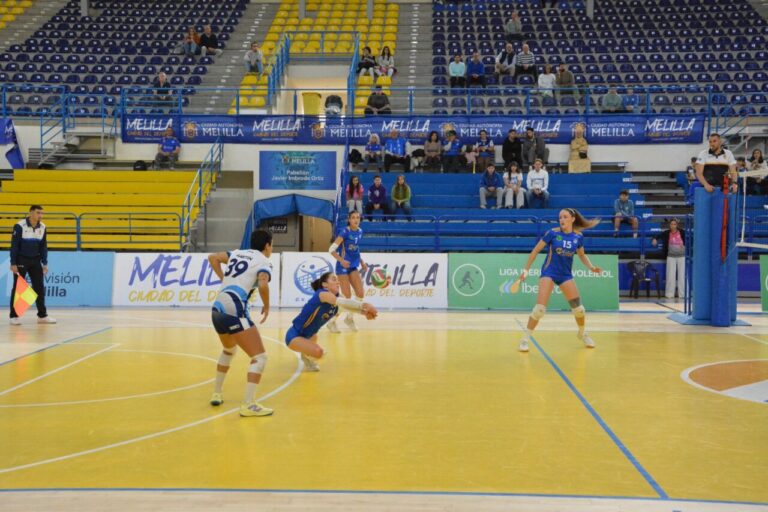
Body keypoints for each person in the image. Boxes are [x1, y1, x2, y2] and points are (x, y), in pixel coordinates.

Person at [207, 230, 273, 417]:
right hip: (234, 308)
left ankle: (217, 393)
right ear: (267, 245)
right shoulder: (263, 260)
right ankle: (248, 405)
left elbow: (212, 258)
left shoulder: (236, 253)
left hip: (217, 307)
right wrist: (267, 306)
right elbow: (262, 283)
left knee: (229, 350)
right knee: (260, 357)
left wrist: (223, 279)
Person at [518, 208, 602, 352]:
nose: (561, 220)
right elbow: (535, 251)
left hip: (565, 275)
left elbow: (581, 255)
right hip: (549, 272)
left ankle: (582, 333)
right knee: (539, 310)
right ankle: (525, 339)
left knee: (579, 310)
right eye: (560, 217)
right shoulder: (552, 233)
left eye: (565, 217)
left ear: (572, 219)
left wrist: (591, 267)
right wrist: (526, 270)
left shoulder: (578, 237)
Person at [285, 272, 378, 372]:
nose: (338, 282)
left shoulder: (337, 297)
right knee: (319, 352)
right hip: (294, 336)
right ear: (325, 284)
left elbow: (347, 306)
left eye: (338, 280)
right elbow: (342, 302)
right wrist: (363, 305)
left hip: (311, 335)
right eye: (334, 279)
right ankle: (306, 356)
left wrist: (364, 312)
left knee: (316, 348)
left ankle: (306, 355)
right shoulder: (322, 294)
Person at [9, 205, 55, 325]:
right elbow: (14, 246)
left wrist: (45, 263)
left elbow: (43, 246)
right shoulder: (19, 226)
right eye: (38, 212)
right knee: (18, 288)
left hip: (36, 261)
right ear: (30, 213)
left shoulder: (43, 227)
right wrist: (13, 262)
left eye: (42, 213)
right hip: (21, 260)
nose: (40, 215)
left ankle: (42, 315)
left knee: (39, 287)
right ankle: (14, 316)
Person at [327, 211, 369, 333]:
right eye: (353, 218)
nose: (356, 220)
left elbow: (355, 249)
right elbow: (331, 249)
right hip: (342, 266)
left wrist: (362, 262)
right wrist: (341, 260)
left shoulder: (360, 231)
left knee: (360, 294)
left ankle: (349, 319)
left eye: (358, 217)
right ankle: (331, 322)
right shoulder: (345, 232)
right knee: (347, 297)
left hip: (353, 266)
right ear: (349, 220)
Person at [652, 219, 686, 300]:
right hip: (671, 256)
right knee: (670, 276)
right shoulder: (666, 233)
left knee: (682, 276)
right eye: (671, 224)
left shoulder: (682, 232)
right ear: (669, 225)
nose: (673, 225)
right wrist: (654, 239)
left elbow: (687, 241)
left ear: (677, 225)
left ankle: (682, 294)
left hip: (682, 256)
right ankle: (669, 294)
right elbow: (657, 235)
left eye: (674, 224)